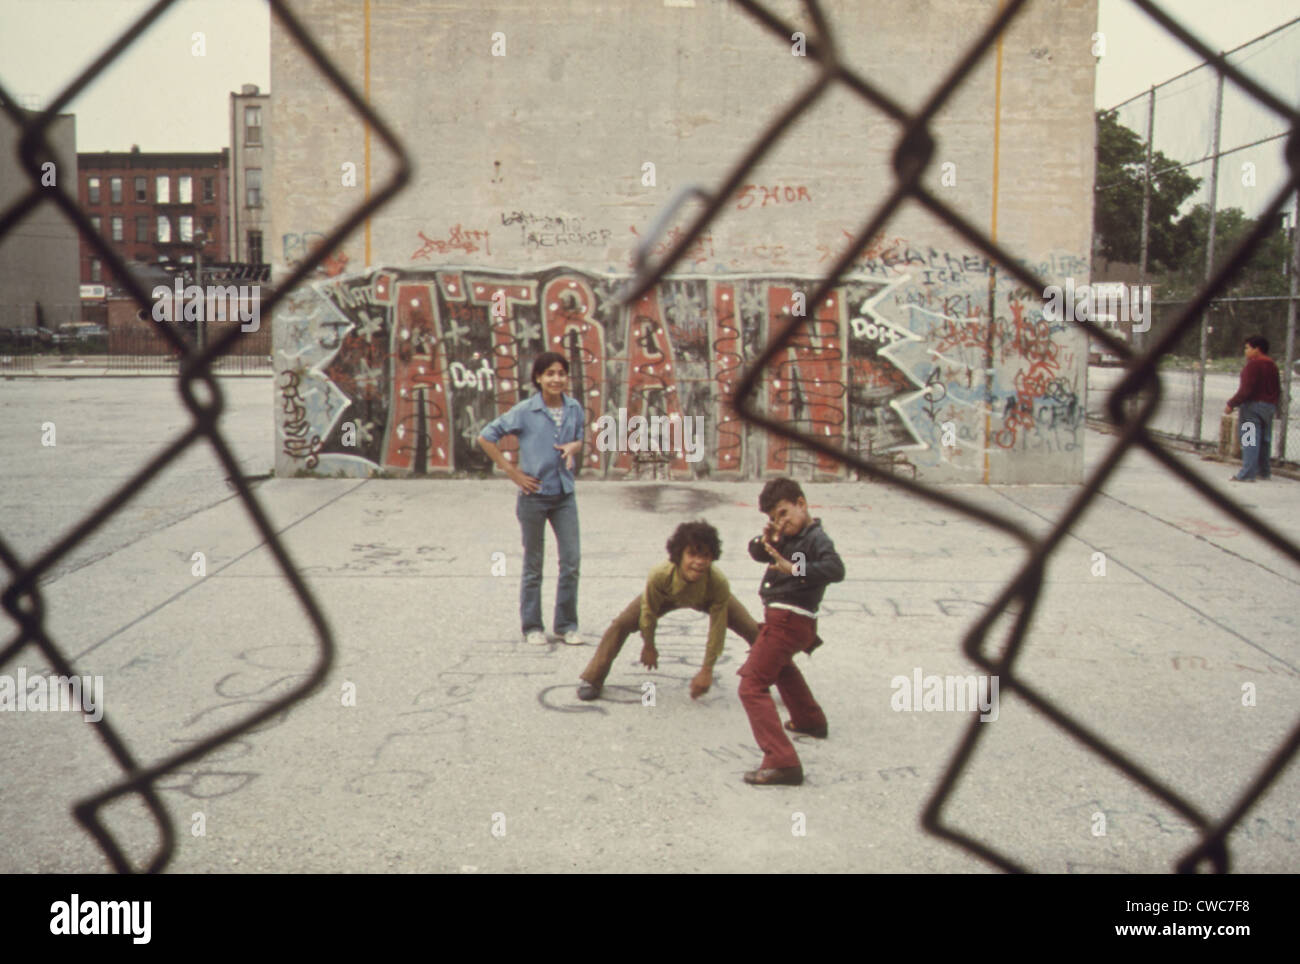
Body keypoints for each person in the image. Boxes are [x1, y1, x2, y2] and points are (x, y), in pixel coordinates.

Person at [577, 520, 761, 702]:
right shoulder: (660, 575)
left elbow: (717, 629)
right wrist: (649, 645)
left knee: (753, 630)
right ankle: (593, 678)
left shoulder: (718, 582)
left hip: (706, 597)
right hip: (666, 597)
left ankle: (782, 679)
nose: (698, 562)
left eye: (705, 556)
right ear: (679, 555)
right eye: (692, 554)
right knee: (621, 624)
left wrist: (707, 670)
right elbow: (647, 612)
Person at [737, 478, 844, 786]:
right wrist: (766, 538)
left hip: (790, 620)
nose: (781, 523)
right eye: (774, 518)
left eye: (784, 513)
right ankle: (810, 721)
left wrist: (796, 569)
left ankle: (782, 762)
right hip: (786, 622)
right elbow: (757, 553)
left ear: (802, 503)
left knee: (751, 684)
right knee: (781, 666)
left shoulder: (816, 538)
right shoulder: (785, 536)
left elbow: (836, 569)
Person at [478, 352, 585, 645]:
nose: (556, 379)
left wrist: (573, 447)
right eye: (549, 373)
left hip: (564, 495)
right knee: (534, 563)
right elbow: (486, 437)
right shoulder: (525, 410)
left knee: (571, 561)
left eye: (561, 373)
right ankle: (532, 626)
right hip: (534, 496)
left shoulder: (574, 407)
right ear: (538, 378)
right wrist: (513, 473)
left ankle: (565, 625)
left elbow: (578, 438)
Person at [1225, 335, 1280, 483]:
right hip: (1268, 407)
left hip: (1252, 407)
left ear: (1257, 349)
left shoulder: (1253, 365)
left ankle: (1247, 473)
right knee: (1264, 439)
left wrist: (1231, 403)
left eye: (1247, 348)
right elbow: (1277, 389)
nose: (1245, 351)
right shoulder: (1272, 365)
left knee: (1249, 439)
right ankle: (1264, 471)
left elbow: (1246, 390)